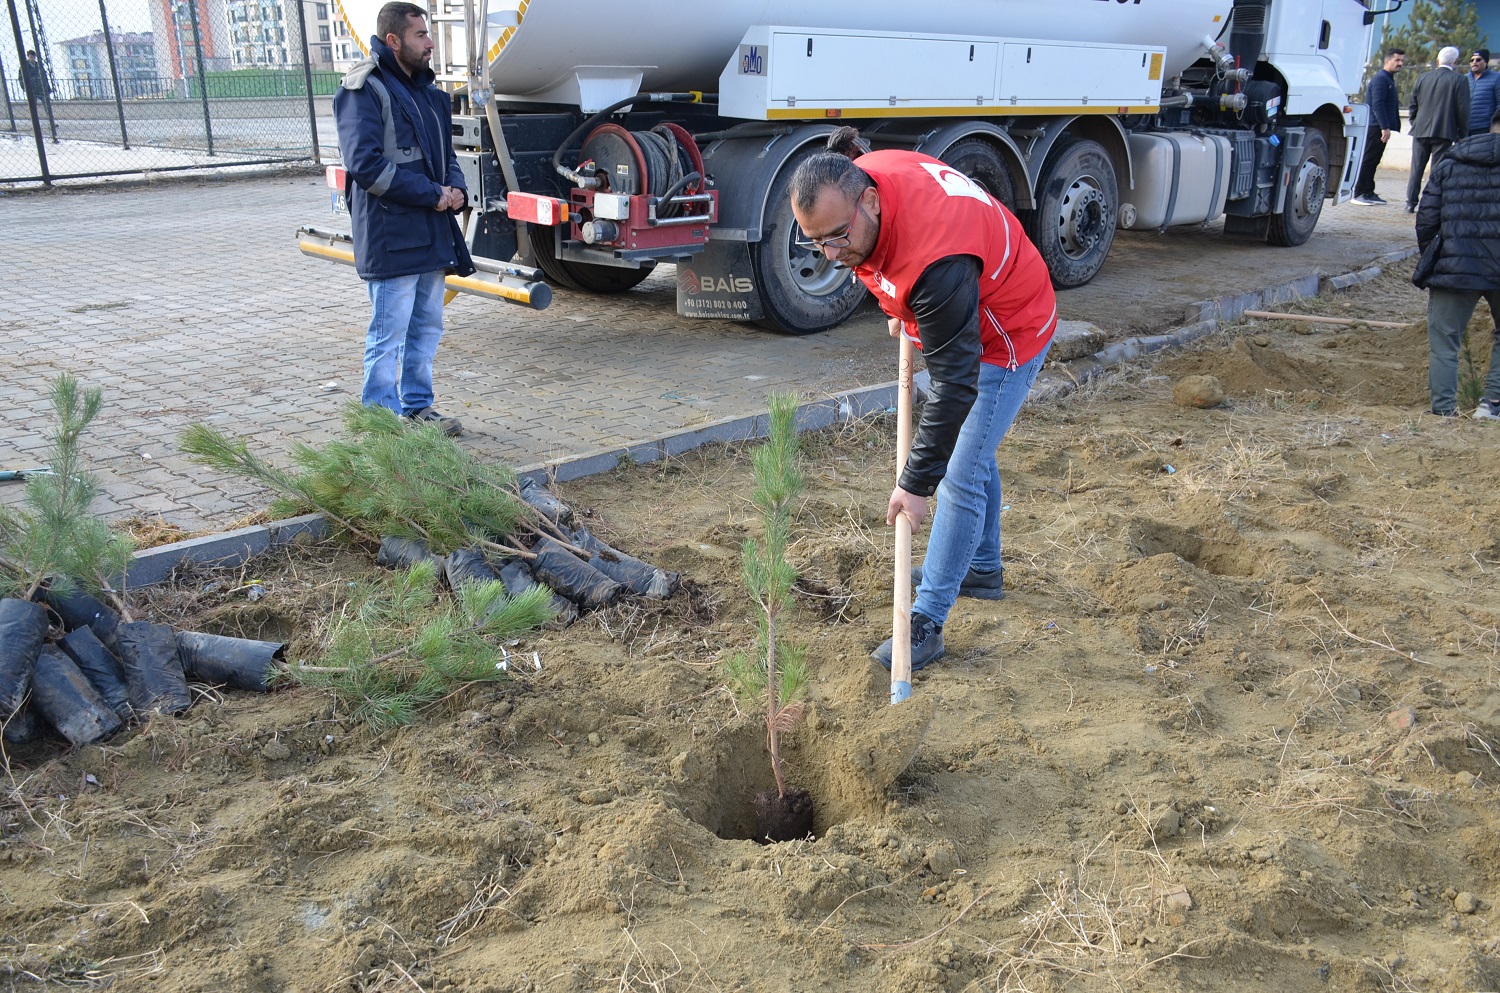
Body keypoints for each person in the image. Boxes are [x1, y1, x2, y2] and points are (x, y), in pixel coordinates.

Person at [788, 127, 1057, 671]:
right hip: (965, 308)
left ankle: (927, 622)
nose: (831, 254)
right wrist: (907, 314)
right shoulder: (866, 179)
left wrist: (913, 487)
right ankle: (980, 566)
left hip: (1008, 331)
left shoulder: (938, 260)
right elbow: (886, 263)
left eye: (837, 237)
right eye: (816, 242)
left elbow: (957, 386)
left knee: (960, 469)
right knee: (975, 446)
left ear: (867, 198)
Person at [332, 1, 474, 436]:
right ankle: (379, 422)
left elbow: (446, 157)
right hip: (391, 234)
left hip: (430, 232)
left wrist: (456, 190)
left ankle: (418, 408)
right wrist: (435, 195)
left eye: (428, 33)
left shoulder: (431, 94)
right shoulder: (363, 89)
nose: (430, 42)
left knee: (427, 325)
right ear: (393, 40)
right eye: (420, 35)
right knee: (388, 332)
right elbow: (366, 166)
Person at [1414, 107, 1500, 419]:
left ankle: (1443, 412)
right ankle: (1491, 406)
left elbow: (1426, 219)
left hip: (1455, 268)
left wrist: (1437, 254)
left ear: (1492, 126)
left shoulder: (1452, 159)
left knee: (1445, 342)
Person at [1406, 46, 1470, 212]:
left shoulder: (1422, 78)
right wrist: (1463, 134)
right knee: (1437, 171)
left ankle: (1410, 203)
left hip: (1420, 130)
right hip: (1444, 131)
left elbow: (1413, 104)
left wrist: (1415, 122)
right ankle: (1431, 205)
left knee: (1416, 169)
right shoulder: (1460, 80)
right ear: (1455, 62)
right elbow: (1462, 109)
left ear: (1437, 60)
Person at [1352, 49, 1404, 205]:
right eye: (1397, 60)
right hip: (1375, 126)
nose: (1400, 63)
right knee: (1368, 160)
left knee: (1374, 160)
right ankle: (1359, 192)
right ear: (1387, 61)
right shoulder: (1381, 79)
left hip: (1379, 126)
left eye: (1402, 60)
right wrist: (1384, 127)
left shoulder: (1388, 79)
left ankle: (1368, 191)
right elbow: (1377, 104)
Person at [1467, 49, 1500, 137]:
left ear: (1486, 62)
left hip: (1484, 128)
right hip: (1465, 129)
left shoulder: (1496, 78)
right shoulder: (1465, 79)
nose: (1474, 62)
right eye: (1472, 60)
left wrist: (1495, 126)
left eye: (1478, 59)